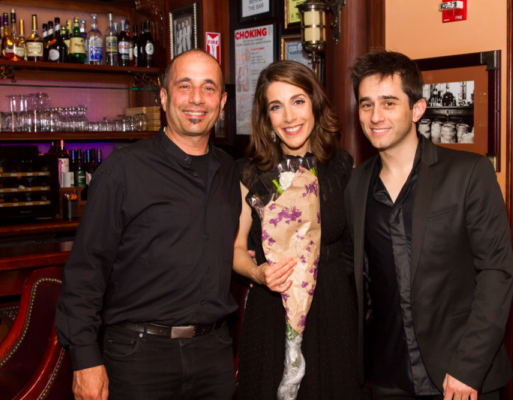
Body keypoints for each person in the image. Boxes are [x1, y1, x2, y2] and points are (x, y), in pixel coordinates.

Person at [55, 49, 241, 400]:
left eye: (209, 88)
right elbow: (85, 271)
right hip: (139, 357)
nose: (197, 99)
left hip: (214, 355)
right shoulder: (122, 170)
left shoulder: (230, 170)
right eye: (184, 86)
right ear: (164, 96)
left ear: (223, 101)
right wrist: (84, 358)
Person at [343, 49, 513, 400]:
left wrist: (469, 367)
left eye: (389, 103)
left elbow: (496, 273)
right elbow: (355, 274)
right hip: (388, 377)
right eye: (366, 104)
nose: (376, 116)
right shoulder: (356, 184)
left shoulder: (468, 174)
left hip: (458, 379)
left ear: (417, 109)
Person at [233, 60, 362, 399]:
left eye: (298, 101)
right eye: (276, 106)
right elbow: (234, 250)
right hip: (271, 312)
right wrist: (259, 273)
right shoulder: (250, 173)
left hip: (332, 313)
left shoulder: (343, 167)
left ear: (316, 105)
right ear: (266, 118)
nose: (289, 117)